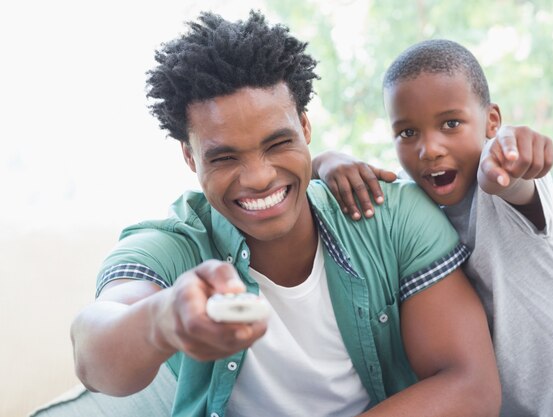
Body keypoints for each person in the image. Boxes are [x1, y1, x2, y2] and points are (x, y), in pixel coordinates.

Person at [70, 13, 501, 417]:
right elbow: (93, 352)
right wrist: (164, 320)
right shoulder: (174, 245)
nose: (258, 178)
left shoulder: (393, 216)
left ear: (305, 128)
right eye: (224, 158)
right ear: (189, 156)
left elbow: (471, 386)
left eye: (277, 144)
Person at [313, 39, 553, 416]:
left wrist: (510, 159)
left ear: (491, 120)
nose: (429, 149)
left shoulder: (506, 188)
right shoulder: (410, 212)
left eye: (451, 123)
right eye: (408, 133)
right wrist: (327, 161)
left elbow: (513, 179)